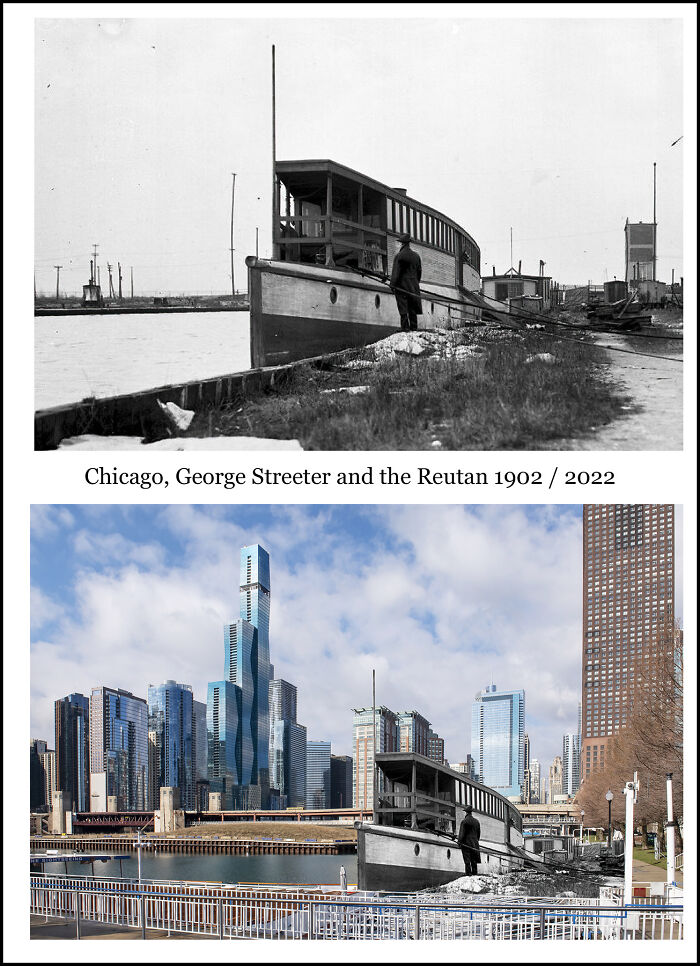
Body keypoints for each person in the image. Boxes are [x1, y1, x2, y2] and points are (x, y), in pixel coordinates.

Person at [390, 232, 422, 330]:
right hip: (413, 286)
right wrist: (415, 283)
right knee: (412, 308)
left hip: (401, 286)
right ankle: (414, 328)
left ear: (402, 244)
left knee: (403, 308)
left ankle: (405, 328)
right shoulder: (416, 256)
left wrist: (392, 285)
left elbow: (396, 273)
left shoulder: (399, 256)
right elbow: (419, 272)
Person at [457, 805, 481, 875]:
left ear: (466, 813)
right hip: (475, 843)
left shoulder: (464, 821)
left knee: (467, 860)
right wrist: (476, 841)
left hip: (466, 844)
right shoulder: (476, 822)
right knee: (474, 860)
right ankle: (474, 874)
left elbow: (461, 834)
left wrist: (459, 842)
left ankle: (468, 874)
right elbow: (478, 834)